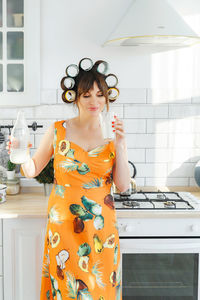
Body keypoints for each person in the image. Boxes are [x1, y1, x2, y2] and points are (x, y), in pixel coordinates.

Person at [7, 58, 131, 300]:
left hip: (100, 227)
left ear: (107, 97)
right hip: (64, 224)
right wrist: (20, 153)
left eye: (99, 94)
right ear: (75, 98)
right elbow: (32, 170)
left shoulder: (111, 133)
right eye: (86, 95)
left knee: (100, 289)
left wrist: (122, 145)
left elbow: (123, 185)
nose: (94, 101)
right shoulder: (58, 130)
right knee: (68, 289)